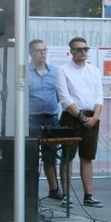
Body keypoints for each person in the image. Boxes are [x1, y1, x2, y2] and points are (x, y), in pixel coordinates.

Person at [55, 37, 105, 208]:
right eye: (78, 49)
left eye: (85, 49)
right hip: (72, 116)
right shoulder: (63, 70)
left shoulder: (94, 71)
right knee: (67, 157)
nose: (83, 52)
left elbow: (99, 96)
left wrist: (95, 117)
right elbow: (65, 98)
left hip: (92, 117)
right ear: (71, 52)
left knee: (87, 156)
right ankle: (66, 196)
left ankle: (88, 195)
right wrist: (83, 118)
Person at [27, 39, 63, 201]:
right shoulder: (25, 72)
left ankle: (54, 189)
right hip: (31, 120)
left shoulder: (55, 72)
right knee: (31, 156)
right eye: (38, 50)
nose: (42, 53)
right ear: (31, 53)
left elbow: (59, 94)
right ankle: (29, 190)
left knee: (50, 155)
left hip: (51, 119)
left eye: (44, 50)